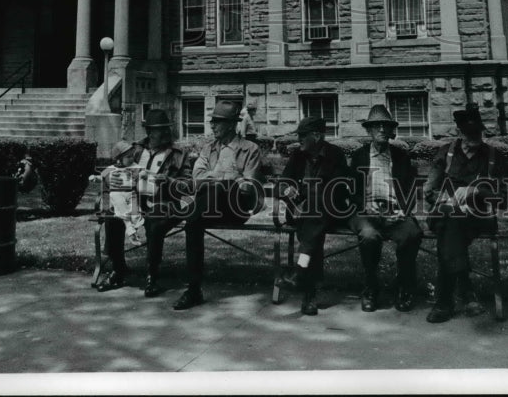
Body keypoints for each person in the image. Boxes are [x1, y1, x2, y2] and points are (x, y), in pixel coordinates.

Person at [173, 100, 263, 311]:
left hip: (236, 208)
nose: (213, 126)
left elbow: (246, 187)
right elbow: (196, 177)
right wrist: (227, 178)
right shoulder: (208, 148)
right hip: (208, 209)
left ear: (232, 124)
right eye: (213, 122)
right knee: (194, 223)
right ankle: (193, 289)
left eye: (218, 122)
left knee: (210, 195)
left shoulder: (250, 149)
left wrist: (216, 180)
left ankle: (188, 211)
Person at [424, 103, 507, 323]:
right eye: (469, 134)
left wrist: (475, 190)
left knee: (449, 227)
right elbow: (429, 191)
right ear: (460, 133)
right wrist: (449, 200)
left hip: (479, 218)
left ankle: (444, 302)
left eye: (477, 133)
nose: (474, 138)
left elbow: (503, 198)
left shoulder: (493, 156)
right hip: (445, 212)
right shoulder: (446, 153)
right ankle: (466, 290)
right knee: (451, 218)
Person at [96, 109, 192, 298]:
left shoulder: (178, 154)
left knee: (154, 220)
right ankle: (118, 270)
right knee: (113, 216)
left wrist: (169, 181)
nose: (165, 132)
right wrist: (114, 180)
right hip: (135, 200)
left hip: (166, 202)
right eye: (159, 129)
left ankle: (152, 276)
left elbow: (188, 184)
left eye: (166, 128)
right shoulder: (135, 150)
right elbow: (114, 169)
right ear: (149, 131)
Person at [348, 105, 423, 313]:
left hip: (394, 211)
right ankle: (371, 288)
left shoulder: (400, 156)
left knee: (412, 233)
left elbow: (410, 190)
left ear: (391, 131)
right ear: (369, 131)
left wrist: (403, 211)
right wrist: (365, 206)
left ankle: (404, 288)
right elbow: (350, 191)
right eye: (376, 126)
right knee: (369, 236)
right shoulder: (359, 156)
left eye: (385, 126)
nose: (381, 129)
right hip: (366, 212)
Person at [277, 116, 350, 315]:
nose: (299, 139)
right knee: (313, 233)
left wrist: (309, 203)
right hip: (303, 214)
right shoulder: (298, 156)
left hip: (330, 211)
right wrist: (288, 192)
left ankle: (304, 281)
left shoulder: (335, 155)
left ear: (316, 136)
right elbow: (282, 183)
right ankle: (304, 282)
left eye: (303, 135)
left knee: (314, 217)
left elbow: (339, 190)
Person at [99, 140, 145, 243]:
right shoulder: (111, 168)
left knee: (135, 211)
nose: (132, 159)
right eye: (128, 157)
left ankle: (133, 229)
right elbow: (102, 175)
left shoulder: (135, 167)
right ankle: (130, 230)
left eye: (132, 156)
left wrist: (142, 175)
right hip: (117, 195)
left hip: (131, 194)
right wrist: (95, 177)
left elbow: (143, 172)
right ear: (119, 159)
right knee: (121, 208)